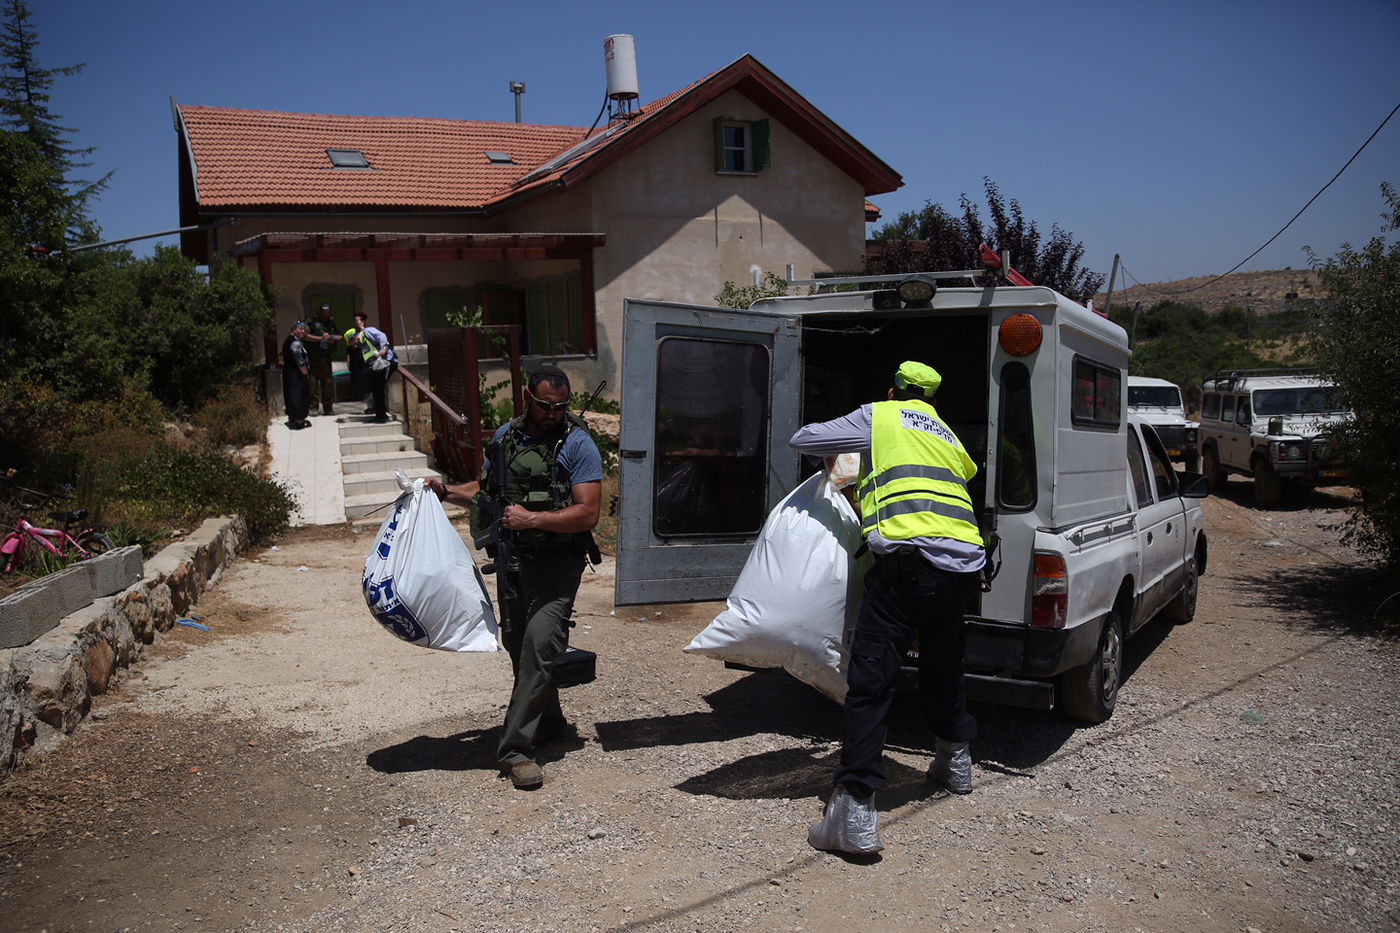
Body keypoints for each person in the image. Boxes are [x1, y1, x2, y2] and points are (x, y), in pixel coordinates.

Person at [789, 361, 986, 855]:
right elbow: (964, 474)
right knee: (945, 664)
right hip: (964, 567)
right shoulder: (948, 435)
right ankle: (955, 761)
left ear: (894, 389)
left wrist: (853, 447)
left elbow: (804, 438)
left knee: (872, 680)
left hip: (909, 565)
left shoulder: (881, 415)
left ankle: (854, 808)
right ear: (933, 401)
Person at [426, 366, 603, 790]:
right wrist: (445, 491)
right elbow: (489, 491)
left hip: (559, 562)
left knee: (541, 642)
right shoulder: (506, 437)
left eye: (560, 407)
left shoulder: (577, 444)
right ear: (528, 396)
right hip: (515, 558)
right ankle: (550, 722)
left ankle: (515, 750)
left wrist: (534, 518)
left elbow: (588, 512)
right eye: (544, 405)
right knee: (518, 643)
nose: (552, 413)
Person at [353, 312, 398, 423]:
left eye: (356, 320)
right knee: (376, 388)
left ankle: (381, 415)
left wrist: (384, 348)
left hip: (384, 362)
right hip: (376, 365)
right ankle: (379, 413)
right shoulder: (361, 337)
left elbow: (382, 336)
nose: (355, 322)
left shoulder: (368, 331)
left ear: (362, 321)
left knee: (377, 388)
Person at [304, 303, 342, 416]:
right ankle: (313, 407)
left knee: (328, 384)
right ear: (319, 313)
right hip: (313, 357)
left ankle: (328, 408)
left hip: (325, 358)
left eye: (328, 313)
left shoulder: (331, 322)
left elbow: (340, 335)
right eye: (323, 313)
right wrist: (320, 338)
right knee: (312, 384)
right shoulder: (311, 322)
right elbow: (305, 336)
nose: (326, 315)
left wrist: (332, 338)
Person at [281, 321, 312, 429]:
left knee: (291, 395)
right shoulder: (295, 343)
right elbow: (299, 360)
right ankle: (299, 420)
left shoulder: (291, 340)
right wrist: (305, 373)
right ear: (294, 330)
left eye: (303, 329)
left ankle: (294, 418)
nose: (303, 331)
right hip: (296, 375)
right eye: (300, 329)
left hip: (290, 373)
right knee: (299, 396)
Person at [344, 327, 371, 414]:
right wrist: (348, 364)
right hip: (355, 369)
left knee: (367, 388)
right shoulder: (350, 348)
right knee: (357, 387)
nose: (351, 341)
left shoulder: (361, 345)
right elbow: (348, 356)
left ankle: (370, 406)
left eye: (352, 339)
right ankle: (359, 399)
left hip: (363, 368)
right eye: (350, 340)